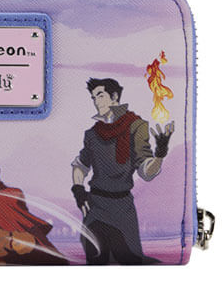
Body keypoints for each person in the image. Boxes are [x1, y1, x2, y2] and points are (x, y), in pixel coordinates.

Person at [71, 78, 174, 265]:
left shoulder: (136, 126)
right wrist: (78, 189)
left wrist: (159, 155)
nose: (96, 102)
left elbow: (145, 170)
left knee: (130, 261)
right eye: (94, 97)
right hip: (95, 206)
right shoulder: (92, 134)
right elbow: (80, 165)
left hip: (122, 208)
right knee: (95, 260)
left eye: (100, 96)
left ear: (114, 97)